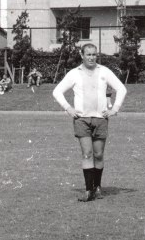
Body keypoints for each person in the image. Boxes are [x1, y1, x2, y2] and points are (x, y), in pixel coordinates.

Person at [53, 44, 127, 202]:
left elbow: (121, 89)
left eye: (94, 54)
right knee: (87, 154)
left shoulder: (104, 71)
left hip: (100, 119)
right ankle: (88, 191)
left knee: (98, 155)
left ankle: (97, 187)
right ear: (82, 55)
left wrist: (114, 109)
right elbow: (57, 91)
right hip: (82, 120)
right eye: (88, 54)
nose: (91, 57)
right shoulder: (74, 73)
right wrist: (68, 108)